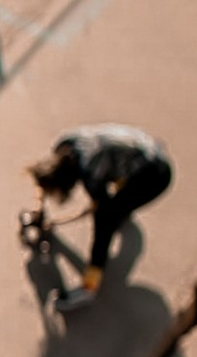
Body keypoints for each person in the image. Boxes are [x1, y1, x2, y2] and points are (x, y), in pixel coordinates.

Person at [29, 124, 172, 294]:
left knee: (107, 217)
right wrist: (40, 212)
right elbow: (46, 177)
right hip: (139, 149)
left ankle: (93, 280)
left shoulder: (92, 173)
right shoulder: (66, 142)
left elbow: (102, 217)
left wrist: (93, 271)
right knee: (112, 204)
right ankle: (122, 204)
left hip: (155, 175)